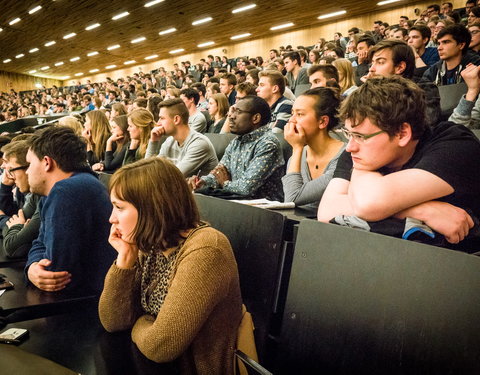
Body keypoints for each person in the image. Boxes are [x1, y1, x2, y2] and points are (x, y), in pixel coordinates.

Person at [99, 157, 242, 374]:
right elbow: (113, 321)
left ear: (152, 208)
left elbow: (162, 346)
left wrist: (139, 323)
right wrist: (125, 259)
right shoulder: (151, 243)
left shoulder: (206, 249)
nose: (112, 218)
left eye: (119, 207)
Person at [318, 76, 480, 252]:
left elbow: (368, 203)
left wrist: (365, 178)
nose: (350, 147)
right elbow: (327, 210)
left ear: (402, 133)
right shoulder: (359, 151)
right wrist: (423, 210)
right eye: (348, 133)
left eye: (360, 136)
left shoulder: (454, 146)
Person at [25, 127, 116, 292]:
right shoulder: (63, 188)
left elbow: (56, 273)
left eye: (29, 163)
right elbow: (39, 242)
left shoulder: (67, 191)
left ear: (47, 162)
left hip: (84, 306)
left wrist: (35, 269)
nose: (27, 171)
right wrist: (32, 268)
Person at [188, 96, 284, 201]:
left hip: (264, 211)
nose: (231, 116)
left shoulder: (268, 144)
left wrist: (225, 183)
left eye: (238, 112)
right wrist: (202, 182)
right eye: (232, 111)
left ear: (255, 118)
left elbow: (246, 188)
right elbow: (219, 173)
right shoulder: (236, 142)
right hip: (236, 203)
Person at [282, 88, 345, 209]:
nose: (291, 120)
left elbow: (292, 198)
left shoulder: (345, 157)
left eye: (299, 114)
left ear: (322, 121)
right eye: (292, 113)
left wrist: (296, 148)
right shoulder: (297, 156)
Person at [145, 98, 218, 177]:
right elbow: (148, 171)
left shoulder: (199, 144)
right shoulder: (170, 141)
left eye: (162, 118)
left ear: (176, 119)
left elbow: (174, 177)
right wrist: (153, 141)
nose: (158, 123)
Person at [0, 139, 41, 259]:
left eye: (11, 170)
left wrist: (13, 225)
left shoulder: (47, 195)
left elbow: (12, 247)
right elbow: (16, 218)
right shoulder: (36, 195)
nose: (8, 175)